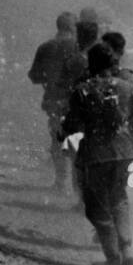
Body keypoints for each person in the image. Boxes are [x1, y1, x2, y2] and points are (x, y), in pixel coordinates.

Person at [60, 42, 133, 265]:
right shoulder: (128, 87)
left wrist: (64, 132)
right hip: (124, 151)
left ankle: (112, 257)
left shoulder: (83, 90)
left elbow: (71, 125)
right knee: (119, 197)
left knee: (96, 207)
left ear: (91, 64)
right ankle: (127, 248)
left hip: (96, 153)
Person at [28, 12, 86, 191]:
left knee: (57, 140)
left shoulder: (45, 47)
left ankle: (61, 182)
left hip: (54, 100)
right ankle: (78, 190)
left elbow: (34, 76)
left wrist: (49, 77)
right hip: (76, 103)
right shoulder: (81, 49)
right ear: (72, 28)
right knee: (77, 143)